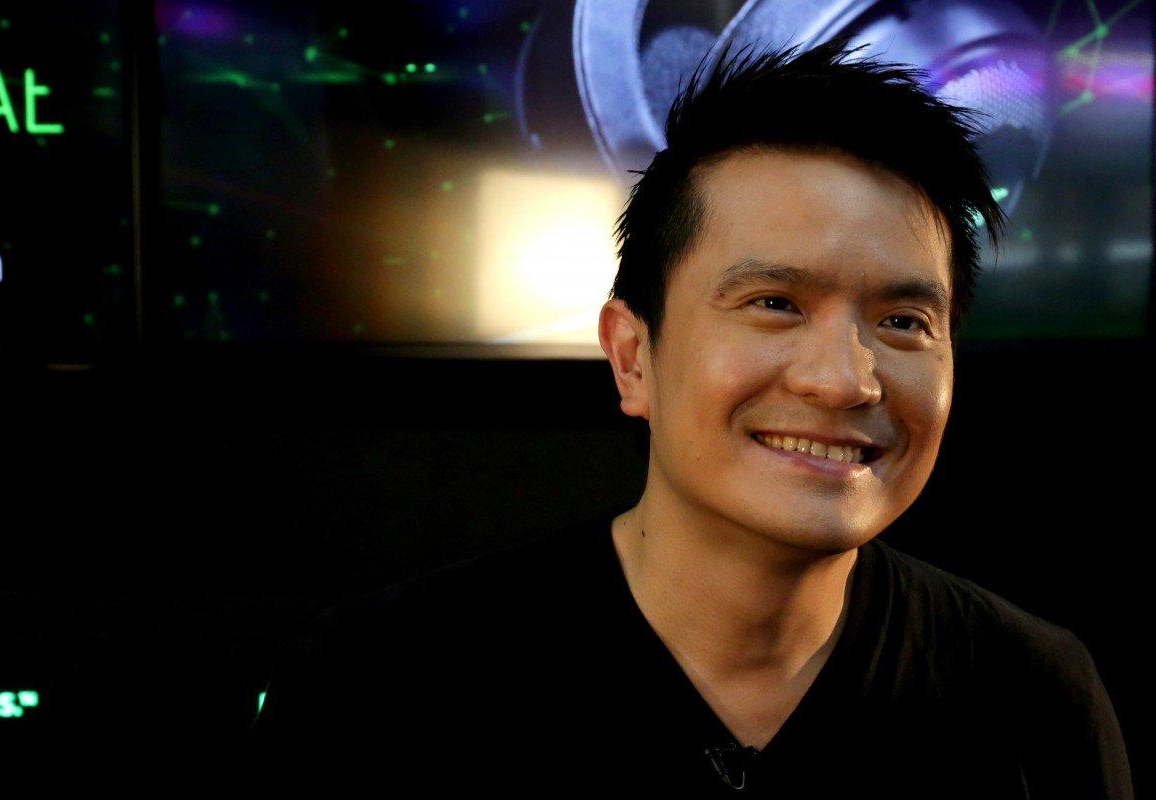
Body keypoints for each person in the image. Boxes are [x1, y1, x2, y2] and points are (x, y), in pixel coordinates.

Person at [248, 35, 1134, 797]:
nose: (845, 381)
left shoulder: (1029, 693)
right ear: (633, 356)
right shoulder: (380, 684)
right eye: (775, 304)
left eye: (904, 322)